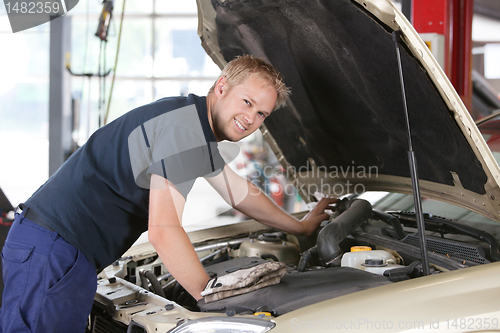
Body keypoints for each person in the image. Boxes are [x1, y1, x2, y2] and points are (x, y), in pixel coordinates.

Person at [0, 55, 337, 332]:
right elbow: (163, 230)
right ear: (222, 87)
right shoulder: (185, 131)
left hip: (55, 247)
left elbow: (239, 193)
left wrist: (301, 226)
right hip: (55, 252)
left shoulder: (189, 121)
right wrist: (210, 296)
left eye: (261, 113)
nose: (251, 118)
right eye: (247, 102)